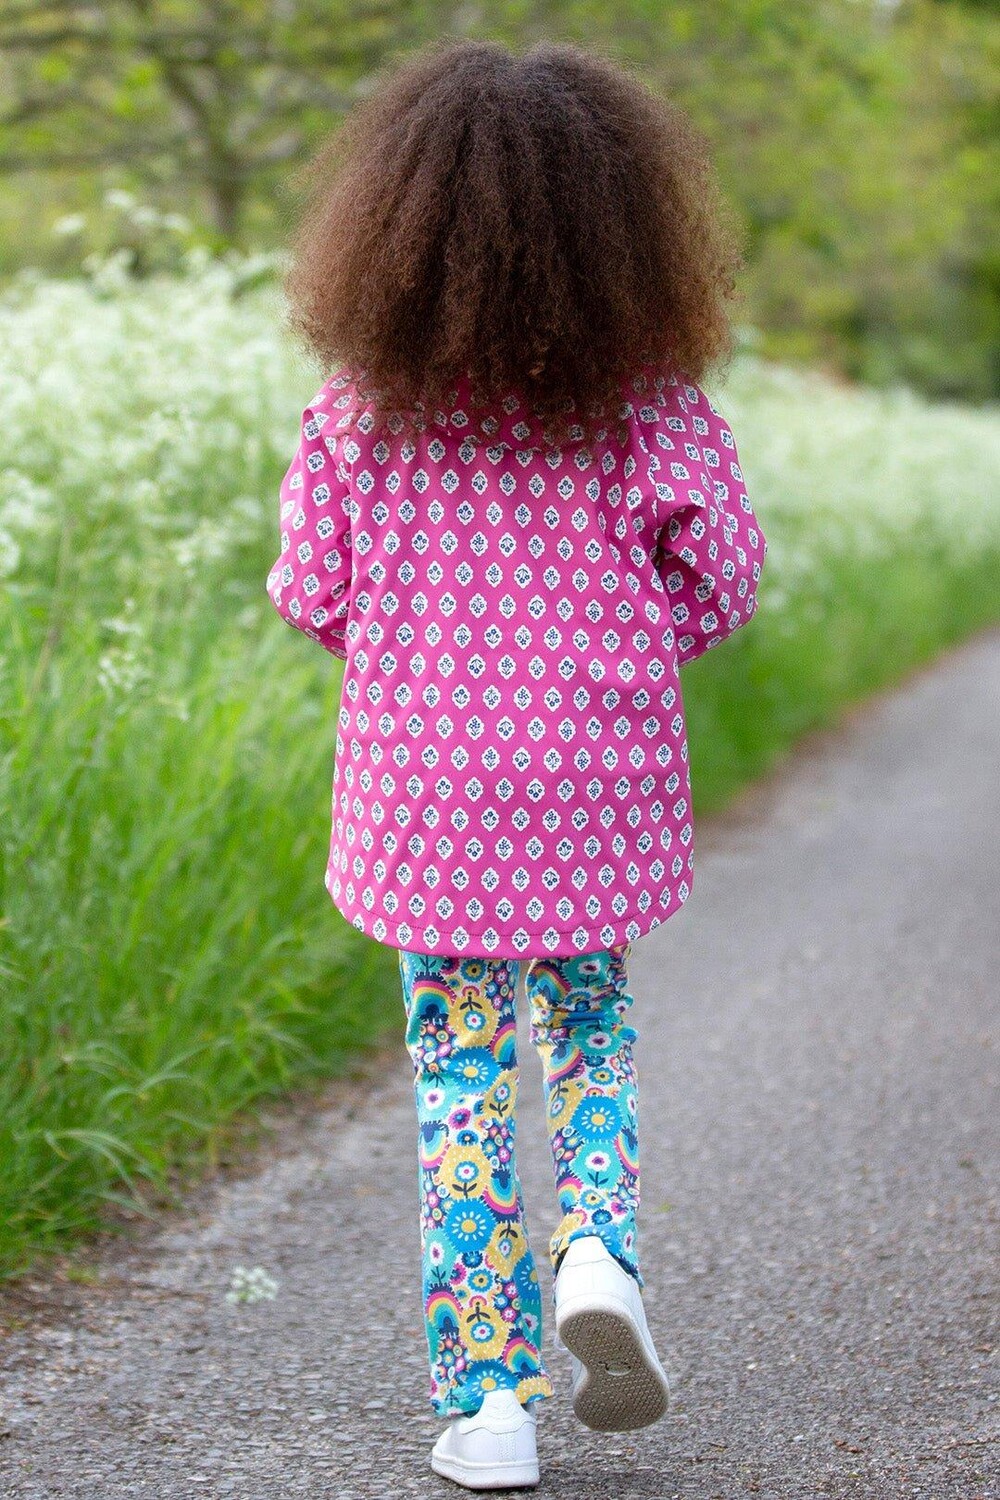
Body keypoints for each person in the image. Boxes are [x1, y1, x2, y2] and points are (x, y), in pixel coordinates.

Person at [266, 35, 767, 1491]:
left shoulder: (363, 404)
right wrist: (622, 648)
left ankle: (490, 1406)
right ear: (627, 229)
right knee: (589, 1030)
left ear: (396, 224)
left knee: (460, 1079)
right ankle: (597, 1248)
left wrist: (417, 652)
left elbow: (311, 591)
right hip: (593, 780)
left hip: (427, 791)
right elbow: (724, 579)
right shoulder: (648, 401)